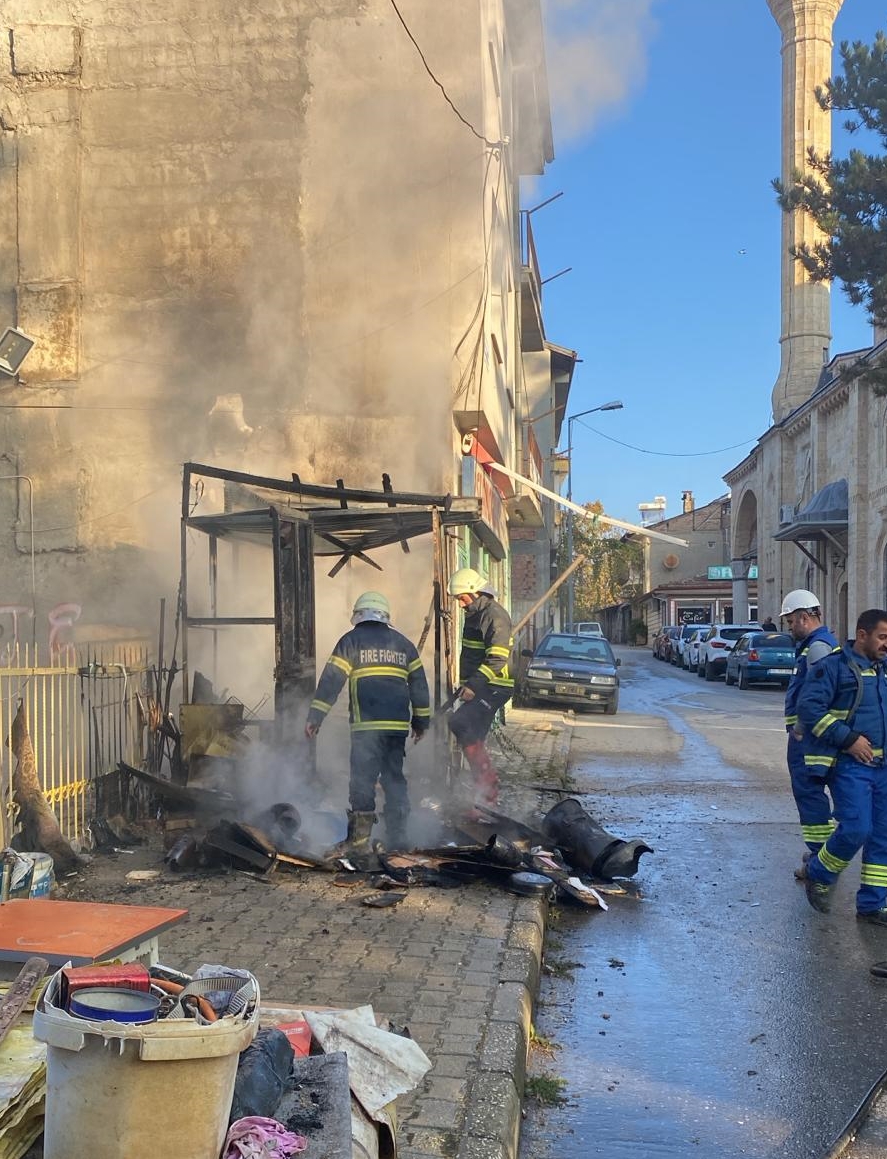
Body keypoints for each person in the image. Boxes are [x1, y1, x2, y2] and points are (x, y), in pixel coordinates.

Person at [304, 591, 430, 854]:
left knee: (362, 781)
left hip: (366, 728)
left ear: (359, 615)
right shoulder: (404, 644)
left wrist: (316, 717)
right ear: (385, 616)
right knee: (394, 779)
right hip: (396, 728)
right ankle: (398, 841)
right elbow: (419, 686)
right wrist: (421, 722)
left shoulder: (351, 641)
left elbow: (331, 681)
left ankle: (359, 843)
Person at [798, 608, 887, 922]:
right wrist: (848, 739)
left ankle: (873, 904)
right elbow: (809, 708)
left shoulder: (883, 670)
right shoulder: (833, 667)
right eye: (882, 637)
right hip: (851, 765)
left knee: (882, 836)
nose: (886, 644)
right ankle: (819, 873)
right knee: (857, 828)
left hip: (882, 767)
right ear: (862, 635)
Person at [779, 589, 839, 878]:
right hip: (809, 735)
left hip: (809, 738)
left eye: (791, 621)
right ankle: (822, 854)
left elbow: (818, 695)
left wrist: (801, 729)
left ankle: (821, 859)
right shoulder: (814, 645)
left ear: (804, 617)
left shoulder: (818, 648)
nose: (790, 627)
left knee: (810, 795)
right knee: (811, 795)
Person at [447, 567, 514, 807]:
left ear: (475, 592)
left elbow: (497, 658)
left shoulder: (493, 615)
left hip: (493, 686)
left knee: (460, 723)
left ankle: (488, 787)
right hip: (482, 685)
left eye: (462, 597)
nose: (460, 604)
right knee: (473, 735)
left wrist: (473, 686)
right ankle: (484, 799)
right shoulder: (476, 614)